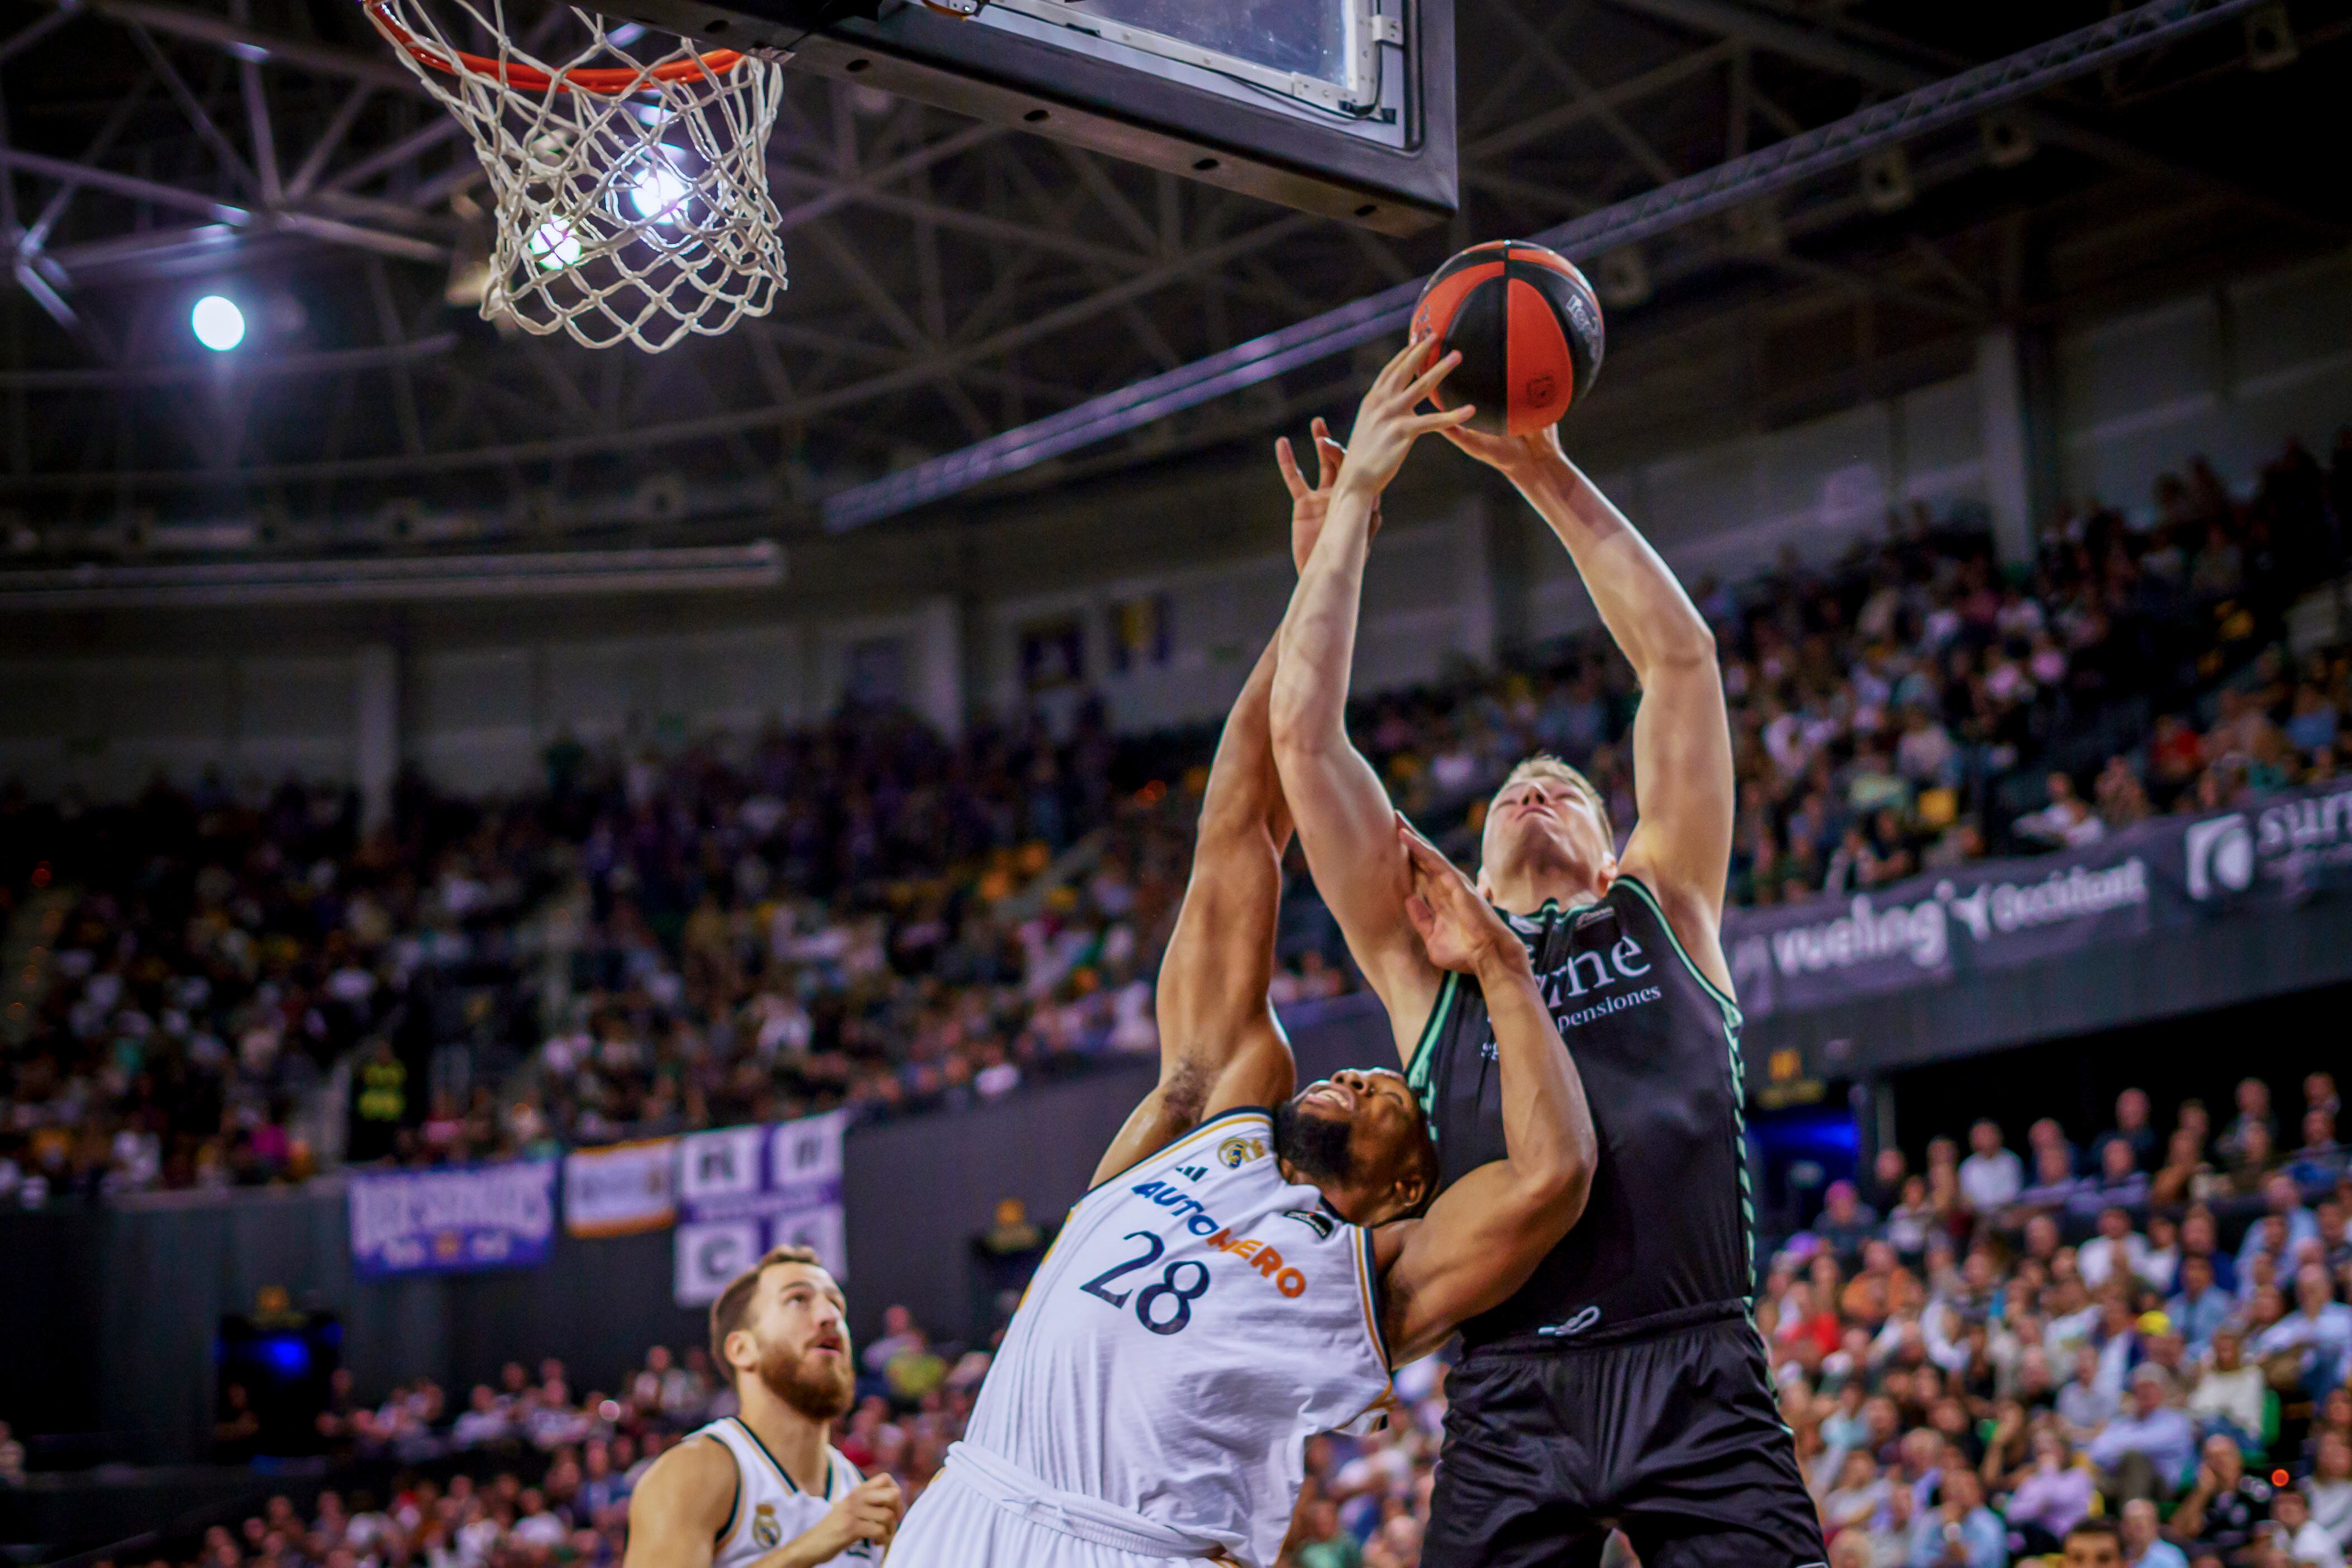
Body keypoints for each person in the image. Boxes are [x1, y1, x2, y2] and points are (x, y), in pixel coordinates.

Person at [884, 413, 1597, 1568]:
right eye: (1364, 1070)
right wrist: (1326, 563)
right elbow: (1235, 828)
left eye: (1380, 1093)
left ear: (1409, 1179)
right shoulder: (1212, 1109)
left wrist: (1501, 971)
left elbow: (1551, 1174)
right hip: (965, 1508)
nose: (1357, 1069)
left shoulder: (1377, 1272)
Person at [1265, 335, 1823, 1566]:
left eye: (1564, 786)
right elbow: (1304, 749)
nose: (1534, 789)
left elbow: (1681, 663)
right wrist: (1352, 509)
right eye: (1512, 788)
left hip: (1698, 1362)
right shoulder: (1429, 949)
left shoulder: (1664, 904)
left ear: (1614, 829)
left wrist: (1544, 470)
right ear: (1466, 854)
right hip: (1513, 1384)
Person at [622, 1246, 901, 1568]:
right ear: (743, 1350)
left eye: (837, 1304)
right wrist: (813, 1544)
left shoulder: (857, 1489)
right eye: (798, 1299)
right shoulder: (693, 1471)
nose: (831, 1316)